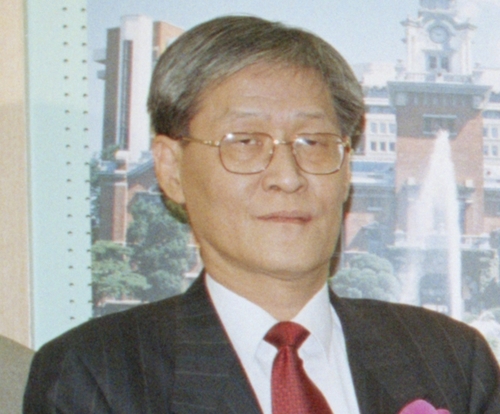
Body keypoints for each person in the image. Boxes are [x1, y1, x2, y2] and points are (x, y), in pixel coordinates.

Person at [24, 16, 499, 414]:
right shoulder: (97, 374)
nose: (287, 177)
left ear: (346, 170)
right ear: (170, 170)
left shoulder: (453, 359)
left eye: (313, 142)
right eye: (246, 142)